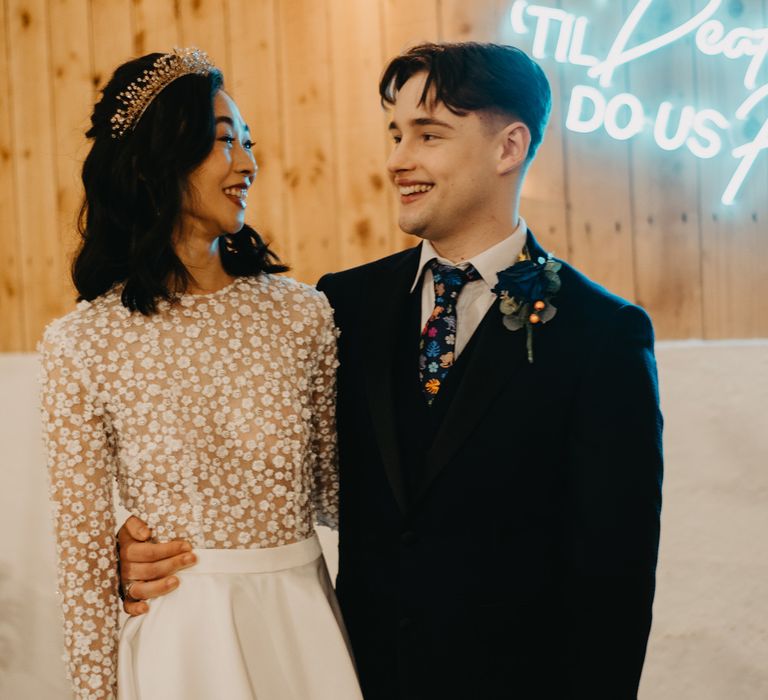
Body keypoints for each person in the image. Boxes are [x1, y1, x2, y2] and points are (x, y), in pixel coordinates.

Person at [117, 42, 663, 699]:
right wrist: (150, 547)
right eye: (395, 133)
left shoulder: (601, 334)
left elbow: (613, 587)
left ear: (507, 148)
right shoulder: (342, 306)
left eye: (428, 135)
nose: (398, 159)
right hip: (350, 678)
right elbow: (272, 476)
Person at [40, 47, 362, 700]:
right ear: (162, 158)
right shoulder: (82, 343)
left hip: (301, 630)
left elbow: (345, 498)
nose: (247, 163)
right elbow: (80, 562)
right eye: (223, 143)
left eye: (246, 142)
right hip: (182, 648)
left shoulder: (302, 317)